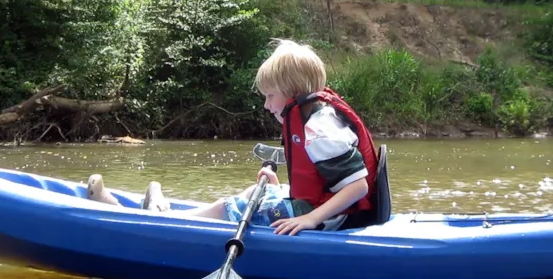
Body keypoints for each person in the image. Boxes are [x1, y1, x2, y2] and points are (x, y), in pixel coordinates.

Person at [88, 39, 379, 235]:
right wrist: (280, 185)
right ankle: (163, 215)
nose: (266, 105)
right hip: (320, 209)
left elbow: (358, 187)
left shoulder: (320, 128)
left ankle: (153, 223)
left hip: (326, 219)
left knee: (228, 208)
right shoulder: (314, 116)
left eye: (270, 95)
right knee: (252, 193)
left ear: (293, 92)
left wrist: (311, 219)